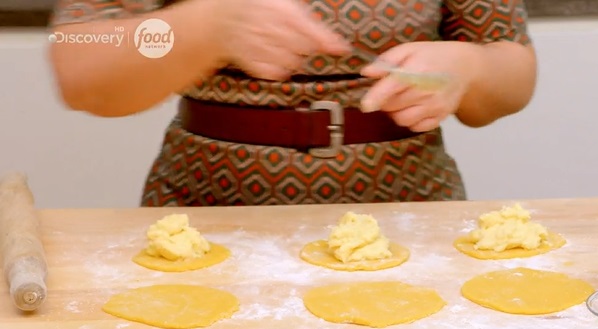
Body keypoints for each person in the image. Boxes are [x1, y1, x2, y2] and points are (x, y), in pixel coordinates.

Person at [48, 0, 537, 206]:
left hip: (412, 216)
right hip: (203, 217)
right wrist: (205, 27)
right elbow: (80, 62)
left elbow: (513, 67)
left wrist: (470, 67)